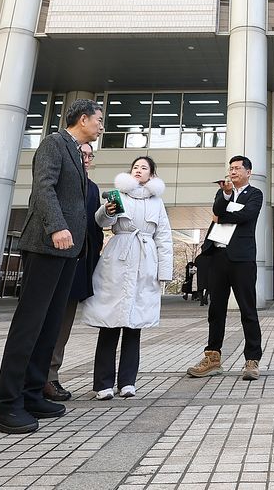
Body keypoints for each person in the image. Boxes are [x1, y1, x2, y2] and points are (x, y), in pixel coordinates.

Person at [0, 99, 104, 434]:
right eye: (98, 120)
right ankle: (6, 405)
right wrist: (56, 226)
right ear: (82, 119)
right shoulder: (55, 143)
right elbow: (43, 189)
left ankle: (33, 392)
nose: (100, 126)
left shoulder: (75, 151)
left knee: (50, 325)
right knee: (30, 324)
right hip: (47, 245)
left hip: (69, 253)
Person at [80, 155, 173, 399]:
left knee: (135, 325)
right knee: (109, 323)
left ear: (152, 175)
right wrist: (107, 211)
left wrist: (164, 271)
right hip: (118, 257)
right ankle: (103, 384)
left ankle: (128, 382)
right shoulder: (118, 195)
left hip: (145, 259)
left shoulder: (157, 202)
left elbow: (163, 237)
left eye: (144, 168)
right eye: (135, 167)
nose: (139, 171)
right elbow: (100, 221)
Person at [187, 155, 264, 380]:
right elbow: (217, 209)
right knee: (215, 310)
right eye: (231, 168)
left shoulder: (255, 194)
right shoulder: (223, 192)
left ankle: (252, 359)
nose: (233, 171)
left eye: (238, 168)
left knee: (247, 310)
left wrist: (222, 216)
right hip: (218, 256)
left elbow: (246, 216)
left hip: (242, 259)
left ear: (248, 172)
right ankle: (212, 358)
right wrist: (226, 195)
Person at [43, 141, 104, 402]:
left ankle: (50, 376)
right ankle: (34, 376)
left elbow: (94, 228)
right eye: (83, 154)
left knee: (63, 322)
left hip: (78, 263)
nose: (87, 159)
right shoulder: (60, 182)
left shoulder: (92, 189)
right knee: (43, 319)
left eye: (91, 155)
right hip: (52, 258)